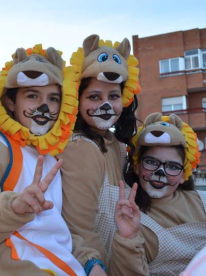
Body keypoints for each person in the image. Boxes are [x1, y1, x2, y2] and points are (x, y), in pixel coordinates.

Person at [0, 44, 85, 276]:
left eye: (53, 98)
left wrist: (92, 263)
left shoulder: (52, 156)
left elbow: (60, 232)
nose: (44, 106)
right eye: (32, 95)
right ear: (10, 102)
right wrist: (12, 209)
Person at [58, 34, 141, 276]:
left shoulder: (114, 143)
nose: (105, 105)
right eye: (95, 97)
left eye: (113, 96)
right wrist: (93, 265)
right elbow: (79, 229)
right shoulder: (79, 147)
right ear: (77, 99)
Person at [111, 112, 204, 276]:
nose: (161, 172)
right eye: (152, 162)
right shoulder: (128, 214)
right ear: (138, 166)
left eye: (173, 166)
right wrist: (128, 239)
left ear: (184, 174)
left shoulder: (203, 202)